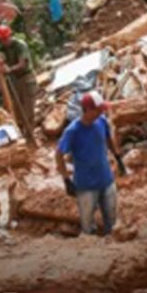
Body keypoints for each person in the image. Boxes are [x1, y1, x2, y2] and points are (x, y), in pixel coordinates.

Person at [55, 90, 123, 236]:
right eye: (98, 110)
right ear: (88, 110)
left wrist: (117, 157)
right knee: (87, 225)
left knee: (112, 219)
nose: (101, 112)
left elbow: (108, 138)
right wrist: (66, 179)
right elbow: (59, 154)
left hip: (106, 179)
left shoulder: (101, 121)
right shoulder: (73, 131)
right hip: (86, 185)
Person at [0, 25, 37, 143]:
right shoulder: (3, 49)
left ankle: (31, 137)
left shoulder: (20, 45)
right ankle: (23, 135)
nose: (4, 42)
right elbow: (2, 61)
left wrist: (10, 69)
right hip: (15, 80)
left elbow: (22, 64)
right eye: (2, 40)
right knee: (18, 110)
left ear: (10, 36)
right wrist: (0, 62)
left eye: (5, 39)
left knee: (28, 109)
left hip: (26, 78)